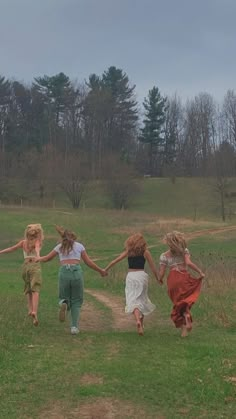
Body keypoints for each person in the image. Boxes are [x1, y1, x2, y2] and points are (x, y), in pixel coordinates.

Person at [35, 225, 107, 335]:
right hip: (76, 272)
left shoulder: (59, 247)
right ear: (73, 237)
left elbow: (47, 258)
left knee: (64, 296)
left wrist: (38, 259)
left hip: (64, 272)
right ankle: (74, 327)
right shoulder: (79, 246)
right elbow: (88, 262)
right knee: (76, 301)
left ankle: (64, 303)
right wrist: (100, 270)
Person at [105, 233, 162, 336]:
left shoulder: (129, 252)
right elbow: (153, 267)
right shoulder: (145, 252)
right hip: (142, 276)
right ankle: (142, 323)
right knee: (142, 298)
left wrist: (105, 269)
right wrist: (158, 278)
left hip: (131, 276)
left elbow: (115, 261)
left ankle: (137, 320)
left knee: (133, 300)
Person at [159, 231, 205, 337]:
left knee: (178, 303)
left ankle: (184, 325)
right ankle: (186, 316)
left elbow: (161, 274)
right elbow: (188, 263)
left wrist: (159, 279)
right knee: (185, 302)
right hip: (184, 278)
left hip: (172, 281)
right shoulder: (184, 251)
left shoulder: (164, 256)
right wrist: (200, 272)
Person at [0, 224, 44, 326]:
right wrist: (38, 256)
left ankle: (30, 309)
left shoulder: (23, 243)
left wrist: (1, 252)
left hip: (25, 267)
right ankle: (35, 311)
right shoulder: (37, 242)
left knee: (28, 289)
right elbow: (37, 249)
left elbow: (12, 248)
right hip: (35, 266)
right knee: (35, 289)